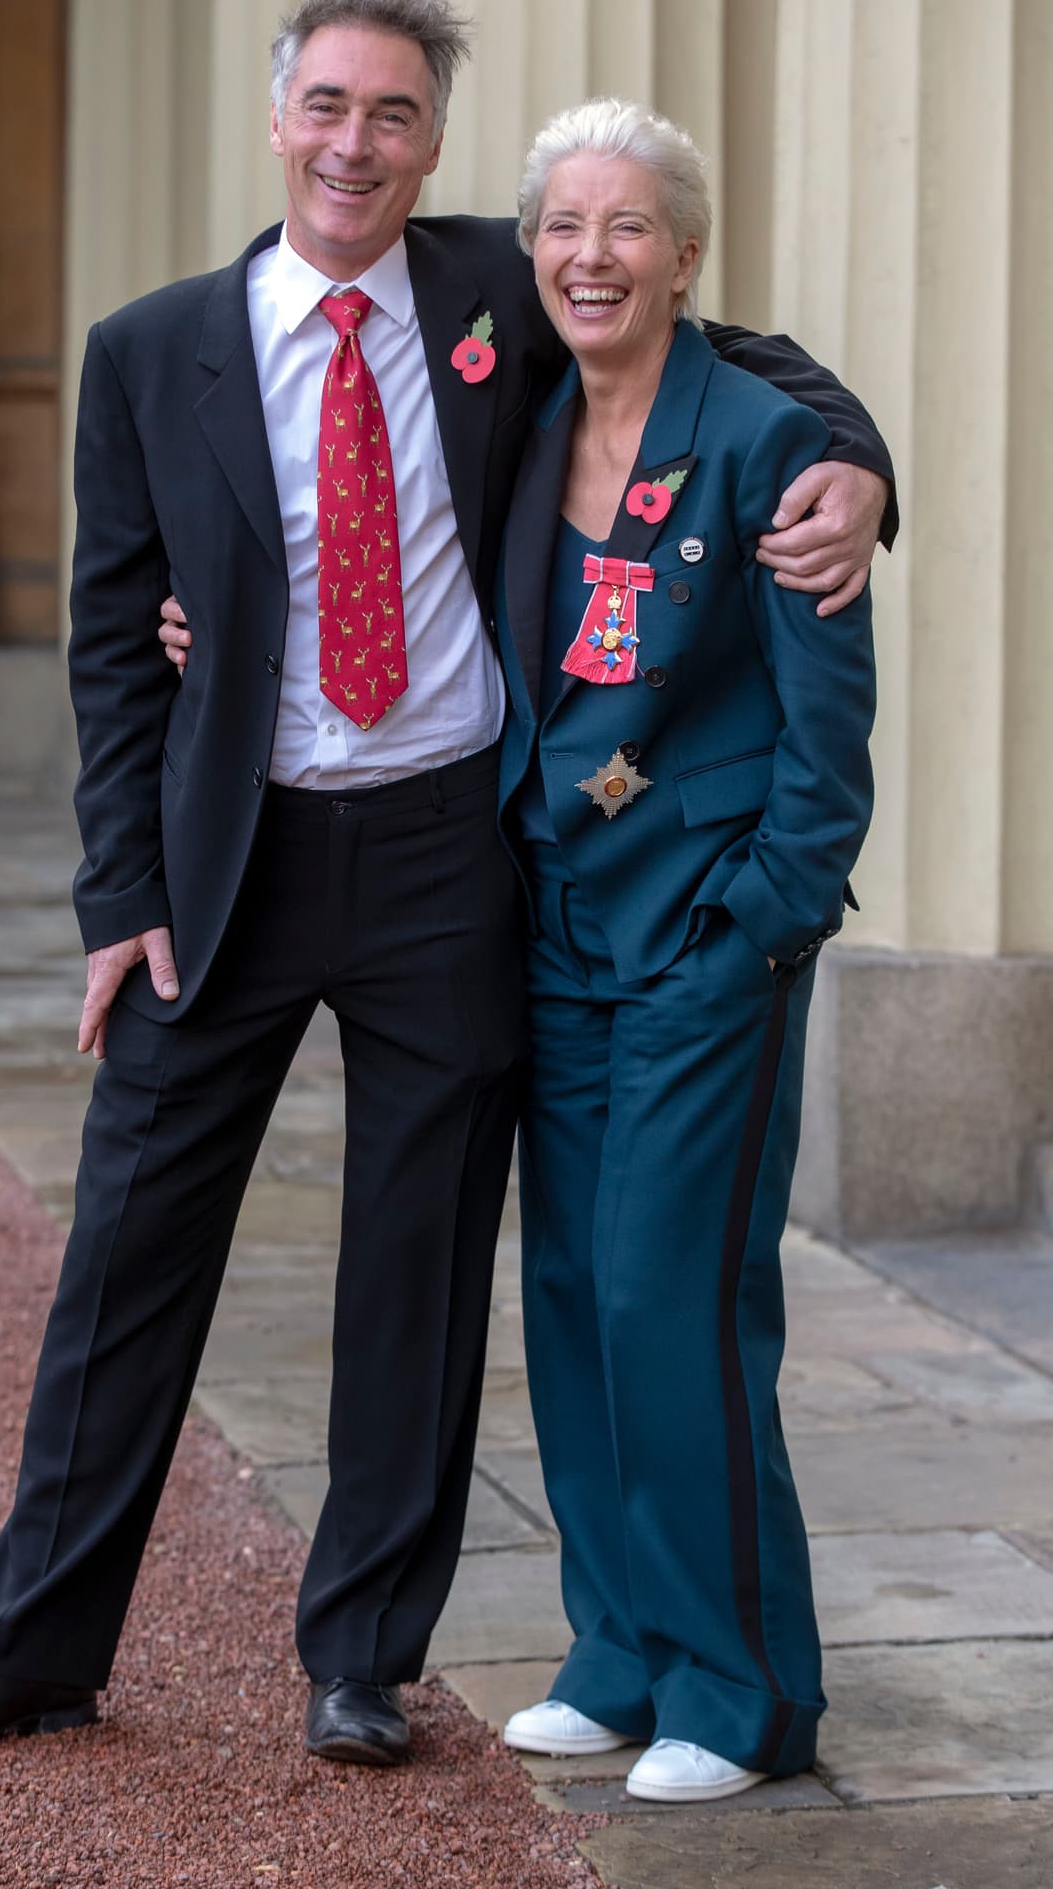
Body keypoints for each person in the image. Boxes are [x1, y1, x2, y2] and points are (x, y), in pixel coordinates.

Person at [0, 0, 892, 1773]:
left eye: (394, 115)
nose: (356, 144)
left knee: (420, 1269)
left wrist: (864, 473)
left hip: (444, 854)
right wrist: (119, 897)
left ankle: (364, 1657)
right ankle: (24, 1651)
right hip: (232, 859)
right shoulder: (148, 349)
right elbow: (111, 647)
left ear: (431, 145)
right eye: (329, 107)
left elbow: (732, 358)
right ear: (280, 121)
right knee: (127, 1255)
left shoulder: (502, 284)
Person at [482, 99, 876, 1802]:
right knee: (572, 1293)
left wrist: (768, 922)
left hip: (707, 938)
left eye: (628, 225)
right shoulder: (517, 419)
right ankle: (622, 1650)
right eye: (564, 225)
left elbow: (828, 733)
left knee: (673, 1298)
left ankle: (742, 1688)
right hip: (552, 922)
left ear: (687, 256)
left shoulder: (771, 444)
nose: (592, 255)